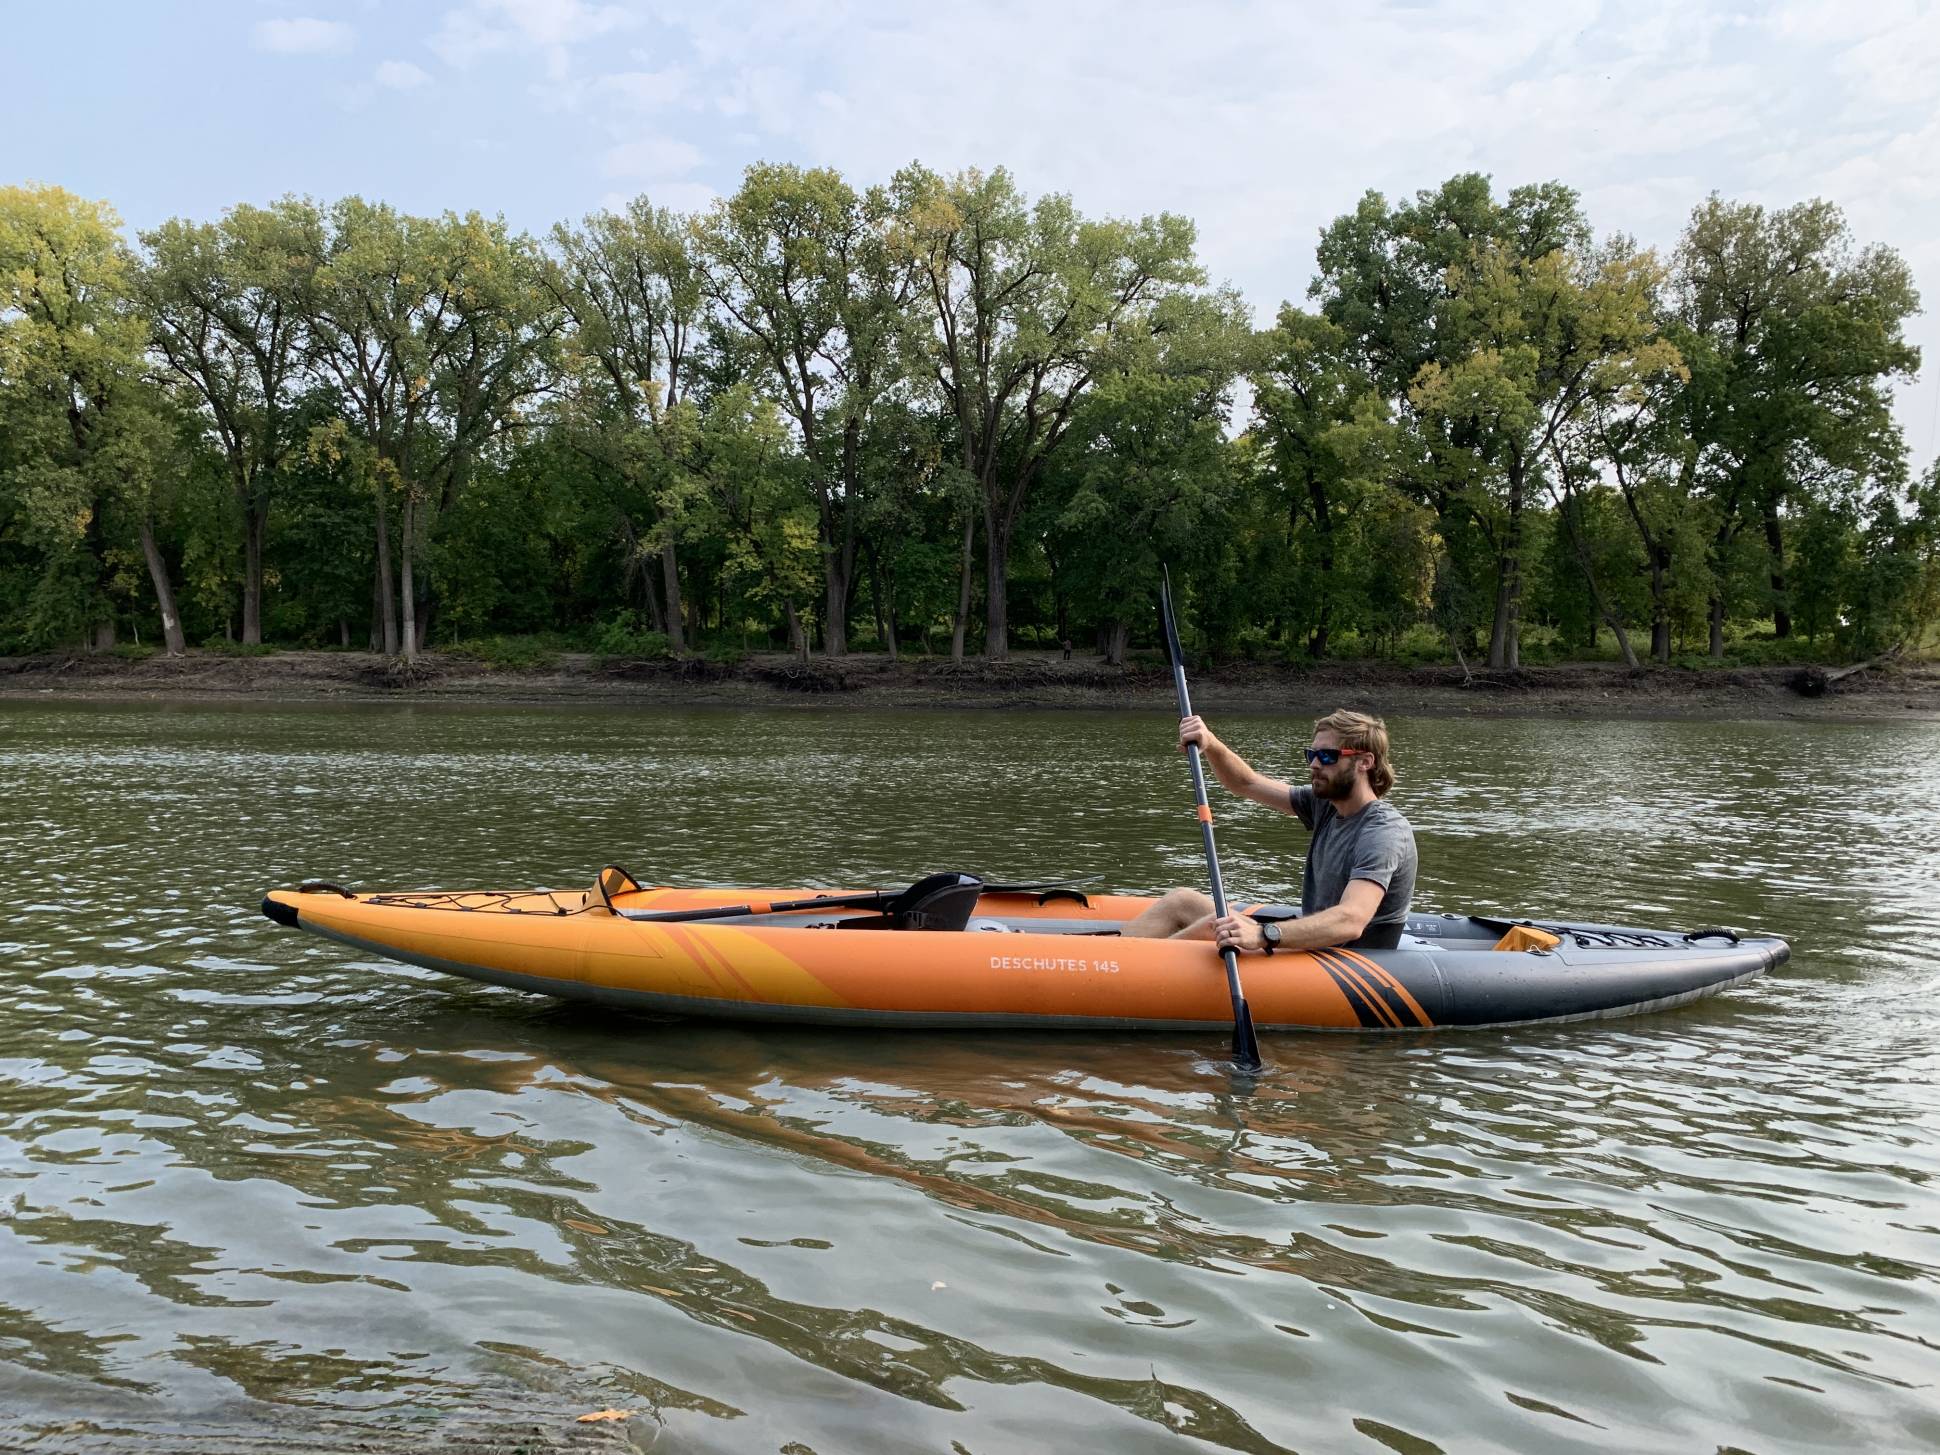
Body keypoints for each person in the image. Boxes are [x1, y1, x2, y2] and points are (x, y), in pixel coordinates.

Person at [1122, 708, 1417, 954]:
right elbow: (1246, 783)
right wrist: (1210, 743)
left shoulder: (1383, 831)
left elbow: (1351, 920)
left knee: (1214, 924)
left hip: (1345, 961)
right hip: (1313, 945)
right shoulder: (1326, 806)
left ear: (1365, 762)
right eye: (1311, 755)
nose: (1314, 764)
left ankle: (1125, 974)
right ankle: (1107, 960)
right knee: (1182, 900)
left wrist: (1264, 934)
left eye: (1327, 756)